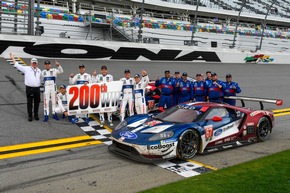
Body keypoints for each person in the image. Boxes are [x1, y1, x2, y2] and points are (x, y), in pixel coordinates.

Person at [10, 53, 41, 122]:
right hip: (29, 88)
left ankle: (36, 114)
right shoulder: (26, 69)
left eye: (35, 63)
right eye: (33, 63)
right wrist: (12, 58)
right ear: (31, 63)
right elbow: (17, 65)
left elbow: (41, 78)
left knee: (37, 102)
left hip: (37, 89)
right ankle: (30, 115)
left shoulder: (39, 70)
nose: (34, 64)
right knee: (29, 102)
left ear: (37, 63)